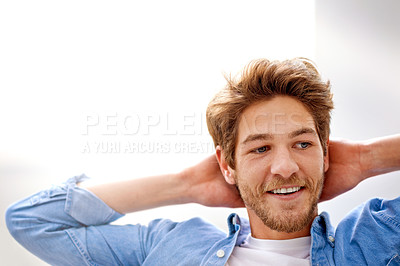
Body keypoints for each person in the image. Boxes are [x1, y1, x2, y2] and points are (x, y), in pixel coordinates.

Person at [6, 58, 400, 265]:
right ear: (226, 164)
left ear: (325, 153)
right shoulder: (172, 247)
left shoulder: (376, 239)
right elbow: (32, 221)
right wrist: (185, 184)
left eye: (302, 144)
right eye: (260, 149)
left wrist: (368, 158)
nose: (284, 167)